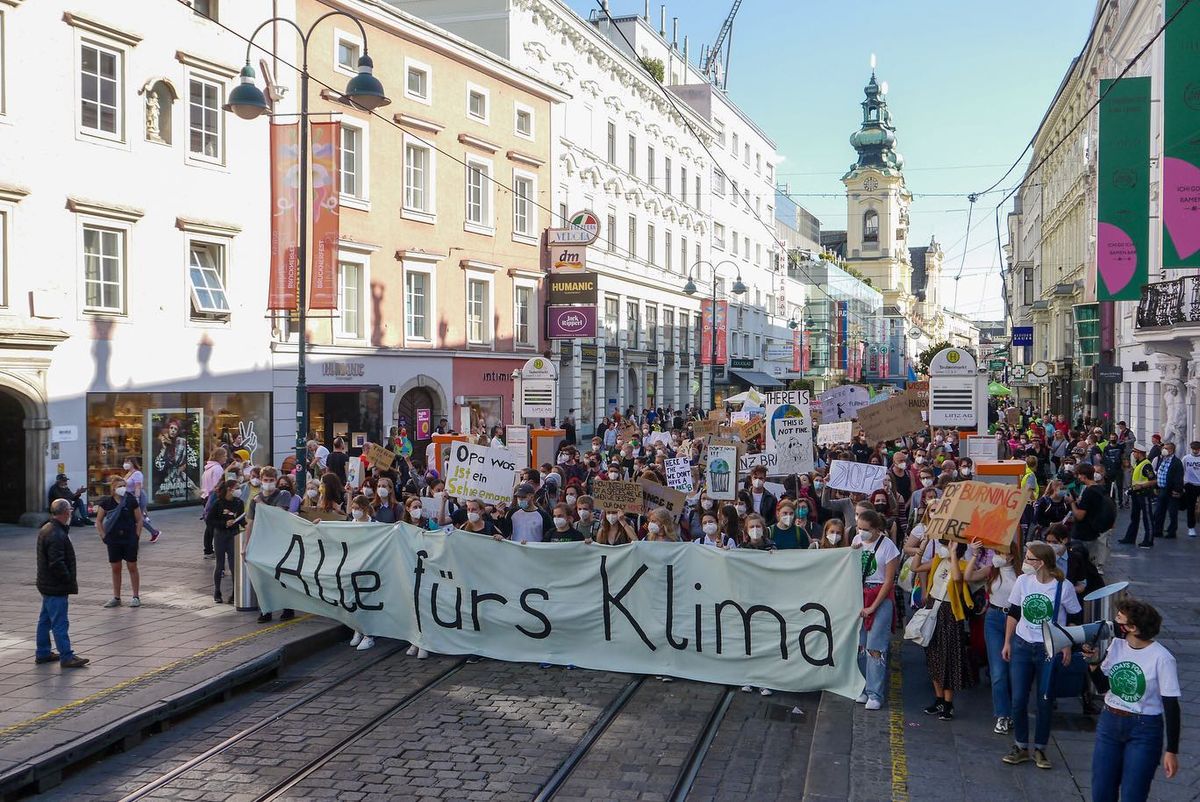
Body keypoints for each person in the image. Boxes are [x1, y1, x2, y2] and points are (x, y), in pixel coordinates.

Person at [1086, 598, 1180, 802]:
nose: (1113, 624)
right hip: (1109, 722)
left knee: (1133, 794)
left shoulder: (1162, 658)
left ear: (1133, 628)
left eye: (1119, 620)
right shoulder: (1117, 645)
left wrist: (1171, 750)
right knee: (1101, 790)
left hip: (1144, 729)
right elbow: (1103, 686)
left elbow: (1172, 707)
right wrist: (1093, 663)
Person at [1001, 542, 1081, 770]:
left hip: (1049, 648)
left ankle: (1040, 748)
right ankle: (1020, 745)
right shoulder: (1023, 582)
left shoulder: (1062, 587)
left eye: (1029, 559)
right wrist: (1007, 642)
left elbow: (1076, 616)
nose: (1025, 563)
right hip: (1023, 645)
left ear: (1041, 563)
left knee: (1044, 700)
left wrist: (1067, 645)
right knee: (1018, 699)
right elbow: (1014, 613)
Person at [914, 536, 983, 721]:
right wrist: (922, 546)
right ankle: (938, 699)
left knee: (948, 657)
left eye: (947, 544)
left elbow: (959, 579)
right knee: (933, 654)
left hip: (949, 613)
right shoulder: (937, 560)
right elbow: (915, 567)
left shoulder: (963, 565)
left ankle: (948, 703)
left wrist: (953, 555)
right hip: (932, 608)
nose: (943, 547)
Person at [852, 509, 900, 711]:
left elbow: (889, 581)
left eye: (866, 530)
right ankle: (862, 687)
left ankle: (875, 693)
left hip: (880, 597)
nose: (861, 532)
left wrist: (873, 606)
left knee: (875, 647)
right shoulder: (857, 540)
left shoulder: (888, 547)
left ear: (877, 529)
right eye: (859, 528)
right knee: (860, 646)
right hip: (860, 594)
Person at [36, 500, 89, 668]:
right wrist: (67, 578)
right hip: (55, 585)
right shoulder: (56, 533)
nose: (72, 513)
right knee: (60, 622)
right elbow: (57, 562)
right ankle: (67, 656)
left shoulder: (48, 528)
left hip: (46, 584)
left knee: (45, 620)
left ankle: (43, 652)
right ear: (65, 512)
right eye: (70, 510)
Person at [242, 467, 295, 623]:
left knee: (282, 576)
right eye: (266, 480)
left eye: (271, 480)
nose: (268, 483)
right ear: (261, 480)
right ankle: (266, 609)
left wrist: (261, 504)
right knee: (263, 578)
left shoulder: (283, 495)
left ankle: (288, 607)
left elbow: (277, 515)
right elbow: (250, 524)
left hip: (279, 541)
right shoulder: (255, 500)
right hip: (262, 542)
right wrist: (246, 546)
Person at [983, 539, 1020, 735]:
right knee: (998, 672)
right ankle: (1002, 715)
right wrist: (973, 555)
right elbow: (969, 575)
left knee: (1015, 672)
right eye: (997, 552)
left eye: (1003, 553)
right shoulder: (992, 571)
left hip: (1015, 621)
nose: (999, 556)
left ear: (1012, 556)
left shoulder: (1022, 576)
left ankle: (1014, 712)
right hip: (994, 619)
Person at [96, 477, 143, 608]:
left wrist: (136, 536)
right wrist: (103, 536)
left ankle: (135, 596)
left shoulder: (130, 500)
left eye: (124, 485)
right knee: (115, 568)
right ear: (113, 488)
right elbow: (98, 521)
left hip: (129, 539)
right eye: (119, 486)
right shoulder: (106, 503)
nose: (123, 488)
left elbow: (139, 519)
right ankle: (116, 597)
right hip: (113, 539)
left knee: (132, 566)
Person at [205, 480, 243, 604]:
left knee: (234, 565)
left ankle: (234, 593)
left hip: (233, 535)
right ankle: (217, 591)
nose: (238, 490)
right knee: (220, 564)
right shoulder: (219, 503)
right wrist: (223, 523)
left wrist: (247, 525)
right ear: (229, 489)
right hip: (220, 535)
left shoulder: (239, 503)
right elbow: (210, 520)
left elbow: (242, 520)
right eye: (236, 488)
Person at [1070, 464, 1112, 572]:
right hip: (1093, 531)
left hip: (1084, 532)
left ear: (1084, 476)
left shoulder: (1089, 492)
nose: (1078, 478)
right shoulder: (1100, 489)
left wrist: (1072, 503)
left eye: (1079, 475)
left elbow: (1080, 515)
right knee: (1090, 562)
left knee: (1081, 562)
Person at [1121, 444, 1157, 546]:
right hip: (1136, 495)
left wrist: (1141, 486)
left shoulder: (1146, 465)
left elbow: (1153, 480)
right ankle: (1130, 538)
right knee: (1134, 517)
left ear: (1139, 453)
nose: (1133, 454)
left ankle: (1149, 540)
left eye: (1134, 452)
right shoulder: (1138, 463)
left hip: (1144, 494)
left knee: (1147, 517)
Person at [1150, 440, 1183, 544]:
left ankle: (1172, 531)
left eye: (1166, 448)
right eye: (1163, 448)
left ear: (1172, 450)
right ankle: (1157, 530)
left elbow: (1179, 477)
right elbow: (1158, 473)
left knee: (1172, 512)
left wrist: (1177, 490)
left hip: (1171, 491)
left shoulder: (1176, 462)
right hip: (1161, 489)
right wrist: (1156, 486)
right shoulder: (1161, 459)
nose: (1164, 450)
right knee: (1159, 511)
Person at [1182, 440, 1200, 539]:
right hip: (1190, 485)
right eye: (1193, 449)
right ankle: (1191, 527)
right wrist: (1184, 483)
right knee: (1191, 507)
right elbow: (1182, 470)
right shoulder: (1186, 458)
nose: (1195, 451)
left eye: (1196, 449)